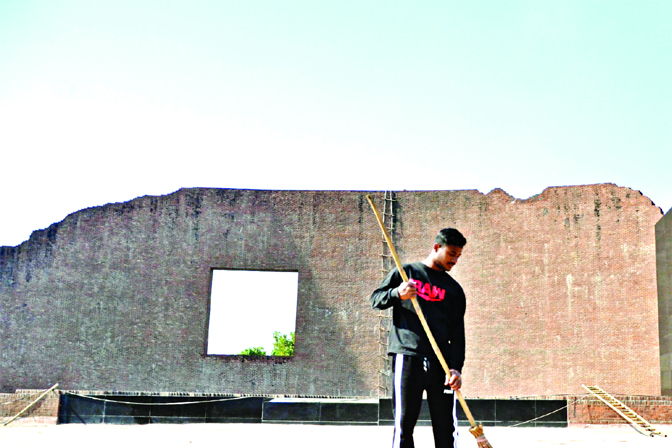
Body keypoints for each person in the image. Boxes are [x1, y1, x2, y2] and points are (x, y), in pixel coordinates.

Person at [371, 228, 467, 448]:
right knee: (404, 426)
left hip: (441, 365)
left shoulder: (454, 290)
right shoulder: (406, 273)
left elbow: (458, 334)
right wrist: (397, 293)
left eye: (458, 256)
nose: (455, 260)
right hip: (407, 357)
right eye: (451, 254)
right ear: (436, 247)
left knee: (445, 428)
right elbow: (376, 299)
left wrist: (456, 368)